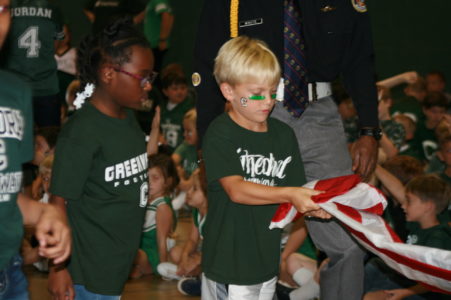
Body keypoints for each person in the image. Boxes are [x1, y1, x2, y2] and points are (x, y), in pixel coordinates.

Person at [194, 2, 379, 299]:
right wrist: (205, 142)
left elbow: (360, 58)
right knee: (243, 225)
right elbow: (206, 62)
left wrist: (369, 129)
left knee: (346, 242)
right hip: (250, 113)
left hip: (320, 115)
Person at [201, 36, 329, 300]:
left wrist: (316, 205)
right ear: (229, 92)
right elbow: (236, 190)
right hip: (229, 265)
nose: (268, 101)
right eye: (257, 93)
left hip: (265, 261)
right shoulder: (220, 133)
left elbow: (295, 191)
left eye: (273, 91)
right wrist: (292, 195)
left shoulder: (283, 135)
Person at [48, 17, 157, 299]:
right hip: (86, 276)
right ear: (109, 73)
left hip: (116, 268)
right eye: (143, 77)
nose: (148, 86)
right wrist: (57, 267)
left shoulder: (130, 120)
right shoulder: (82, 131)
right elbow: (58, 203)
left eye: (151, 77)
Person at [0, 0, 70, 297]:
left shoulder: (15, 92)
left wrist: (43, 213)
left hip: (9, 271)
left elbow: (7, 198)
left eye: (2, 9)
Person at [364, 174, 451, 300]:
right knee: (376, 264)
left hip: (427, 292)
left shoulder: (438, 237)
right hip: (409, 281)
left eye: (409, 201)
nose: (403, 206)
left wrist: (404, 292)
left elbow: (435, 281)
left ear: (428, 206)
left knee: (370, 295)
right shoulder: (417, 225)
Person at [1, 0, 65, 127]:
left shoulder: (7, 9)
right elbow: (56, 45)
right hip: (46, 86)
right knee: (50, 140)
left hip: (13, 86)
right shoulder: (54, 9)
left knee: (12, 140)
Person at [130, 153, 178, 279]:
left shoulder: (162, 207)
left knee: (130, 252)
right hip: (142, 251)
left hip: (152, 256)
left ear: (167, 181)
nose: (149, 183)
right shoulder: (146, 200)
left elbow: (162, 241)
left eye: (155, 178)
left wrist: (163, 267)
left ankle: (144, 269)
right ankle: (137, 269)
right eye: (146, 178)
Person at [160, 64, 195, 153]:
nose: (179, 91)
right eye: (175, 89)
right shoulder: (160, 108)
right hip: (166, 152)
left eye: (183, 88)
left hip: (185, 152)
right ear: (165, 91)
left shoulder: (190, 108)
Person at [135, 0, 174, 74]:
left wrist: (163, 39)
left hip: (157, 45)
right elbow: (142, 15)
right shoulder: (152, 3)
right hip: (151, 45)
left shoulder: (159, 1)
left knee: (154, 73)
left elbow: (167, 16)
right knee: (152, 72)